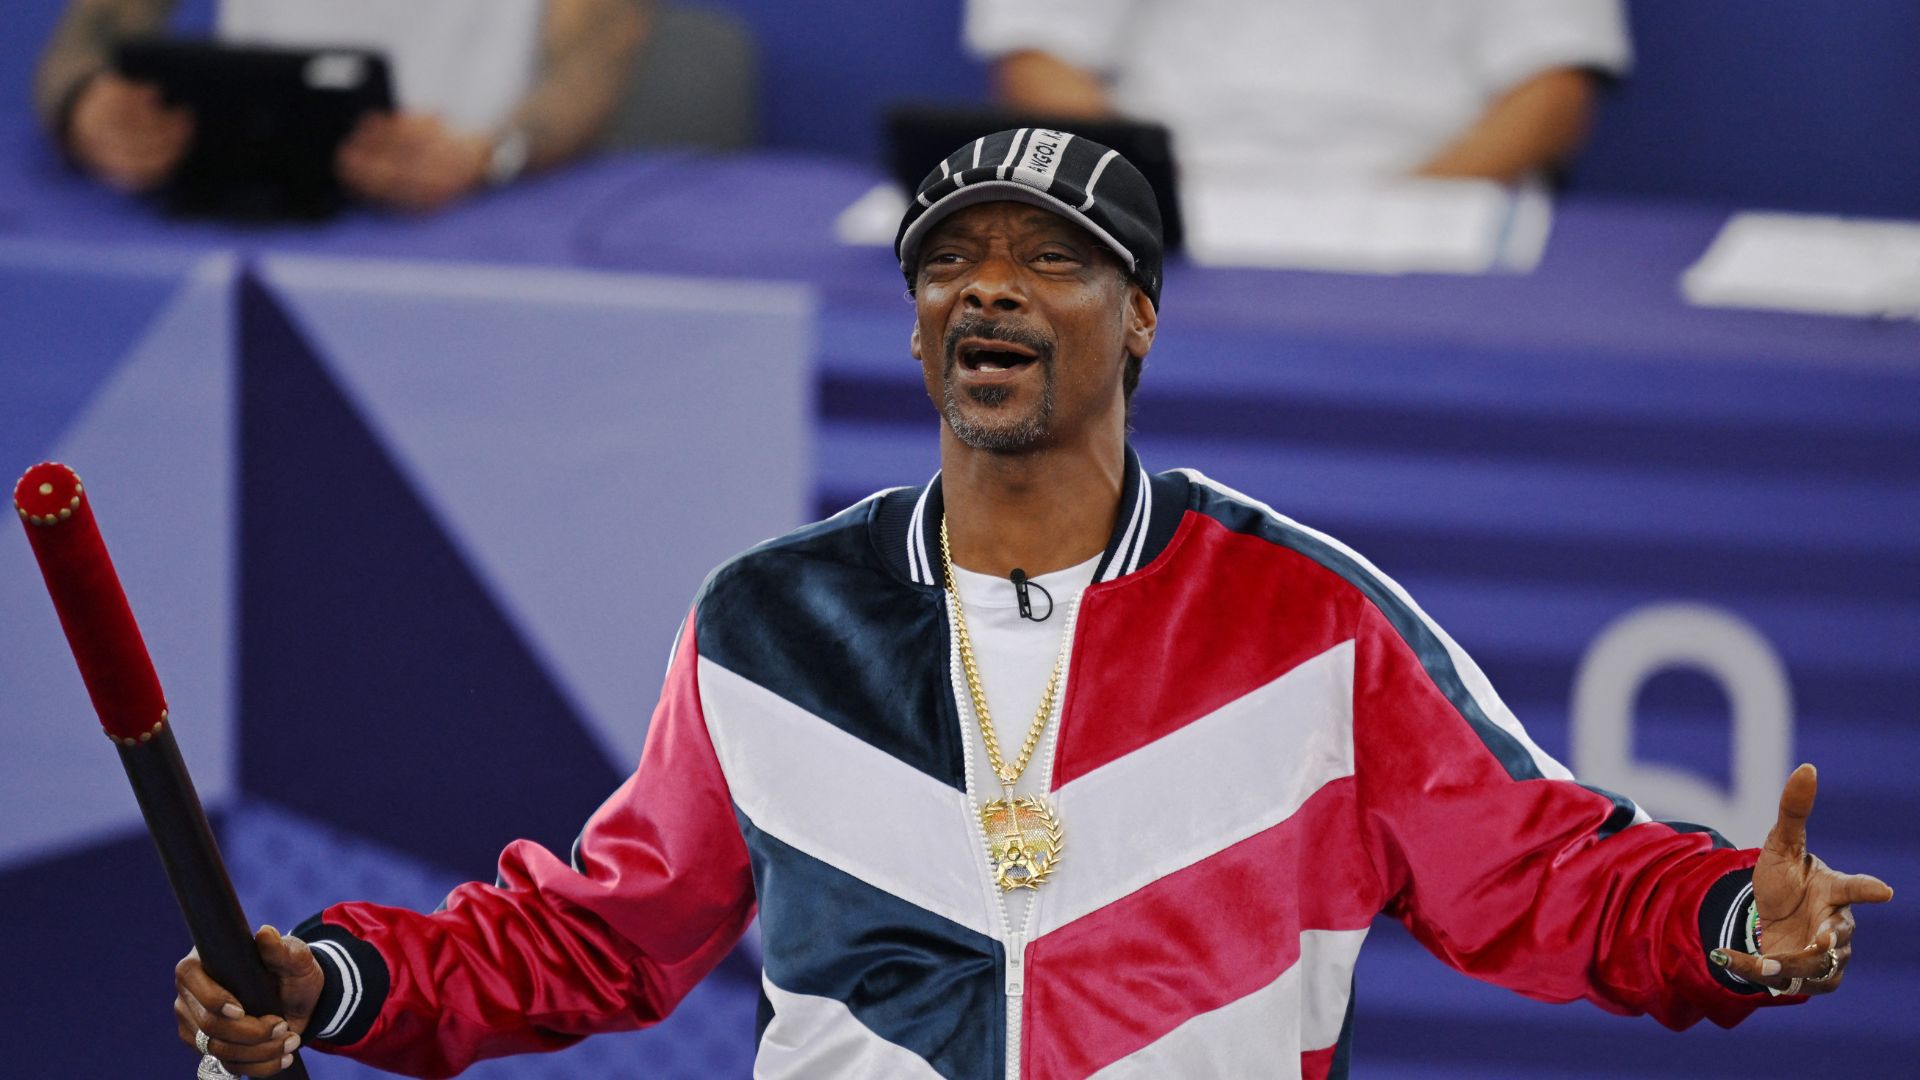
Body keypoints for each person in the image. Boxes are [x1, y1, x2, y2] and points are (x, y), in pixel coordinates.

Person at [172, 129, 1892, 1079]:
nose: (990, 285)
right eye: (950, 260)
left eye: (1048, 256)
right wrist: (334, 978)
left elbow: (1546, 870)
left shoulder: (1308, 623)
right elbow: (598, 935)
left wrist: (1733, 920)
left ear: (1138, 317)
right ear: (920, 324)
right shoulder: (771, 622)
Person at [33, 0, 649, 211]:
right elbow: (89, 36)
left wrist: (493, 156)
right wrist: (82, 107)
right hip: (255, 203)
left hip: (474, 214)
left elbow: (595, 56)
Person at [966, 0, 1630, 185]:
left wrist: (1403, 208)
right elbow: (1039, 59)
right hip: (1175, 207)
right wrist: (1146, 200)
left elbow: (1551, 92)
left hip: (1441, 206)